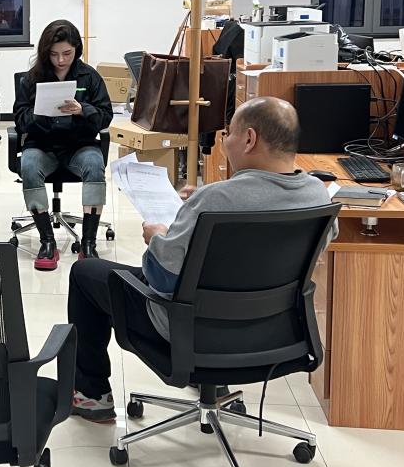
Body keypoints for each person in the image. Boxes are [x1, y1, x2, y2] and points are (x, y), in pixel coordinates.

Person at [67, 97, 339, 424]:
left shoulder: (217, 200)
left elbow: (161, 278)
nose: (224, 142)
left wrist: (158, 236)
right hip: (274, 333)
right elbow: (261, 245)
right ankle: (215, 384)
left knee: (86, 272)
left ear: (249, 139)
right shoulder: (317, 195)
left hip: (192, 332)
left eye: (229, 134)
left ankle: (92, 396)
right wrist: (196, 208)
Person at [13, 19, 113, 270]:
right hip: (42, 145)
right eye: (54, 54)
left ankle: (88, 243)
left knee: (94, 165)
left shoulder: (90, 77)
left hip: (79, 146)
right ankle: (47, 241)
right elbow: (20, 119)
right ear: (45, 52)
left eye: (67, 53)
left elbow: (105, 116)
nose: (60, 60)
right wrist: (39, 113)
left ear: (77, 50)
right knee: (29, 165)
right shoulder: (32, 78)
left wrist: (83, 110)